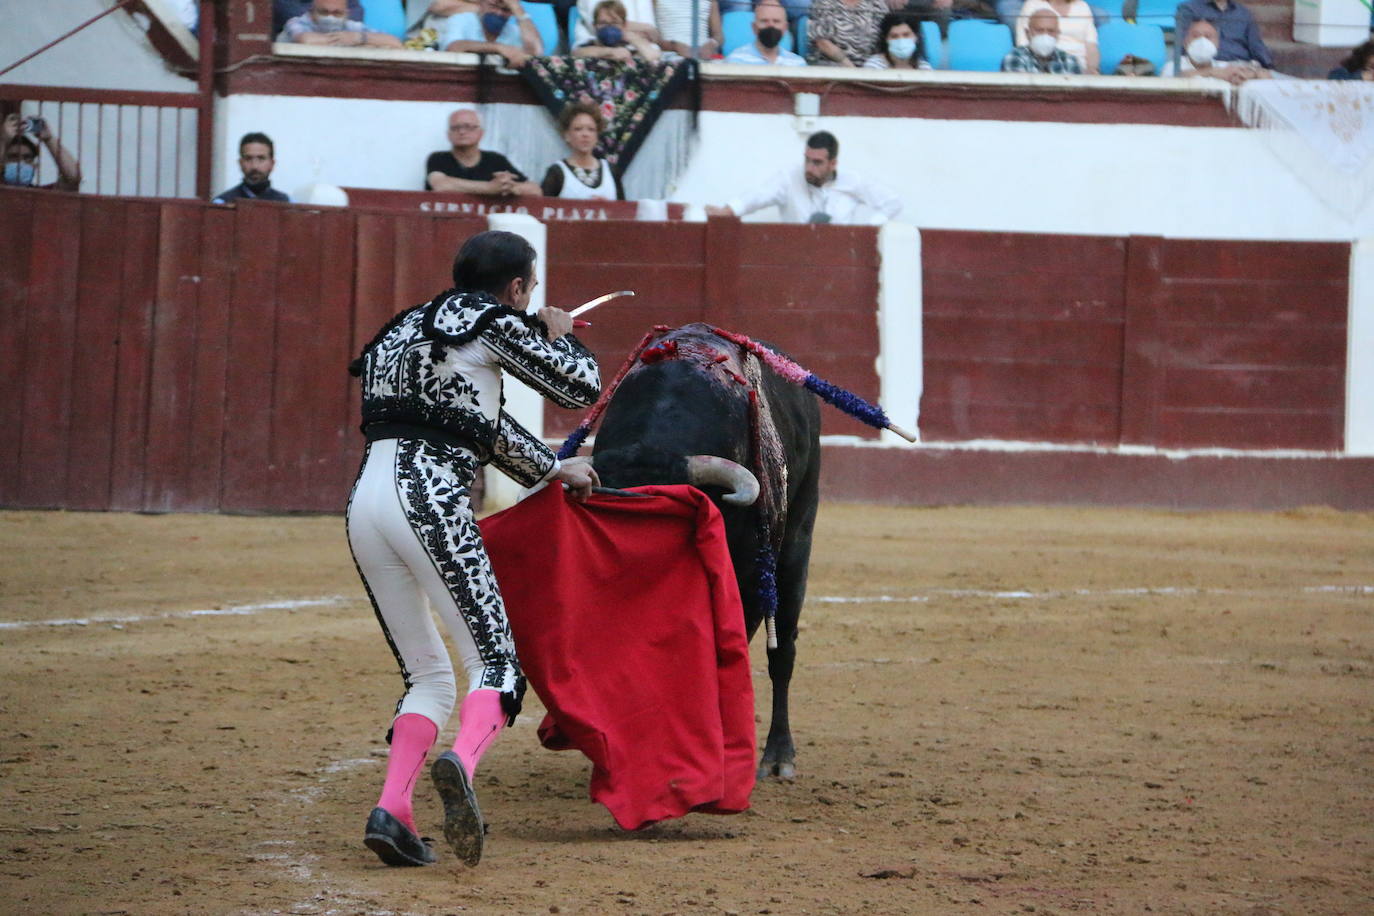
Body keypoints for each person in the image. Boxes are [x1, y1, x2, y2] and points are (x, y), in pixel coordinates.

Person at [347, 229, 601, 869]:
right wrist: (559, 333)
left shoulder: (405, 327)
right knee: (496, 664)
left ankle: (393, 813)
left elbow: (471, 421)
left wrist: (548, 468)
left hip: (364, 505)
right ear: (516, 287)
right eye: (531, 288)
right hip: (430, 499)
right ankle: (460, 761)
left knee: (426, 674)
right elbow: (579, 388)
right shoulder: (495, 319)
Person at [704, 130, 901, 224]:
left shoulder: (852, 181)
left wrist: (869, 231)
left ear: (833, 163)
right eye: (807, 160)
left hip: (839, 257)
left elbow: (892, 202)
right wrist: (729, 210)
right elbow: (759, 195)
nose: (809, 168)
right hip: (797, 258)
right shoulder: (790, 177)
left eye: (817, 163)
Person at [425, 109, 541, 195]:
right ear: (448, 135)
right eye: (455, 128)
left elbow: (535, 190)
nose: (462, 132)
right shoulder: (438, 158)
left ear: (481, 133)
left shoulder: (495, 160)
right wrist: (490, 188)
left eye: (468, 127)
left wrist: (510, 187)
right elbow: (440, 185)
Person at [540, 103, 625, 200]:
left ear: (597, 136)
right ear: (567, 135)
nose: (585, 134)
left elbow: (625, 211)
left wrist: (607, 207)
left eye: (591, 129)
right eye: (578, 129)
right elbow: (542, 209)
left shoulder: (611, 171)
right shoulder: (557, 172)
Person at [1174, 0, 1273, 71]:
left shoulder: (1243, 12)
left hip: (1242, 66)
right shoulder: (1189, 8)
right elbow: (1184, 43)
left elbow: (1256, 45)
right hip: (1205, 66)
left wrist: (1265, 67)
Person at [1160, 19, 1268, 81]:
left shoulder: (1225, 66)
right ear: (1185, 42)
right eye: (1196, 36)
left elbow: (1263, 75)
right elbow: (1175, 77)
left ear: (1217, 44)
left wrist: (1252, 74)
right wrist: (1210, 72)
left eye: (1208, 36)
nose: (1202, 40)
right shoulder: (1173, 66)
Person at [443, 0, 544, 65]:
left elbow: (536, 52)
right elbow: (452, 47)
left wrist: (518, 9)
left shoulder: (513, 31)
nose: (498, 13)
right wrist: (498, 48)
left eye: (506, 9)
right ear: (481, 4)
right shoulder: (462, 19)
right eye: (493, 6)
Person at [1, 113, 81, 191]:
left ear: (34, 165)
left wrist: (49, 139)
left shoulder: (41, 195)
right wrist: (3, 141)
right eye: (13, 157)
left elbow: (73, 178)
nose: (21, 162)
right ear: (3, 162)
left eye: (27, 158)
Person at [1015, 0, 1097, 73]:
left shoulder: (1082, 6)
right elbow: (1023, 43)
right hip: (1045, 64)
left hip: (1079, 68)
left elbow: (1091, 46)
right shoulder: (1032, 4)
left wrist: (1091, 69)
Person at [278, 0, 405, 45]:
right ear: (312, 12)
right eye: (324, 12)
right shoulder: (296, 22)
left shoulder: (349, 26)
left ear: (346, 14)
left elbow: (394, 42)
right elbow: (306, 40)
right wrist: (341, 40)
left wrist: (359, 38)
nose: (330, 17)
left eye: (337, 13)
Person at [212, 132, 290, 204]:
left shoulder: (287, 204)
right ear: (240, 163)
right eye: (248, 159)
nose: (254, 166)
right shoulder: (222, 204)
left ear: (272, 164)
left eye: (261, 158)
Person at [573, 0, 663, 61]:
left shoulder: (631, 44)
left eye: (615, 23)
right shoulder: (593, 42)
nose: (609, 27)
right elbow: (576, 53)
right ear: (594, 25)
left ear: (625, 25)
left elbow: (654, 56)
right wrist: (609, 52)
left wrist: (634, 40)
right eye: (603, 23)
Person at [807, 0, 888, 66]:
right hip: (833, 62)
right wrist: (847, 64)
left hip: (870, 63)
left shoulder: (877, 4)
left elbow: (887, 36)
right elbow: (821, 40)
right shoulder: (824, 3)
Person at [726, 0, 807, 65]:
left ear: (785, 28)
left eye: (776, 21)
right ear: (754, 27)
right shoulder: (735, 60)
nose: (770, 25)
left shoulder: (798, 63)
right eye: (764, 21)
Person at [1001, 8, 1082, 72]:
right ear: (1027, 33)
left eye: (1051, 31)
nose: (1045, 35)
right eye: (1039, 30)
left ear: (1058, 34)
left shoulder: (1069, 61)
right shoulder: (1015, 57)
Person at [862, 11, 933, 68]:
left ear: (916, 37)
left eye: (906, 35)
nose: (901, 40)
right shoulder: (874, 66)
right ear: (886, 39)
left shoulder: (923, 67)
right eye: (894, 36)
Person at [654, 0, 722, 58]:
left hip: (702, 58)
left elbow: (719, 36)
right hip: (670, 57)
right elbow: (650, 36)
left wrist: (711, 44)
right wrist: (674, 46)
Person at [275, 0, 363, 36]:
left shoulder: (352, 24)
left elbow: (356, 14)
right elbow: (289, 14)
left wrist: (361, 39)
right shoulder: (295, 22)